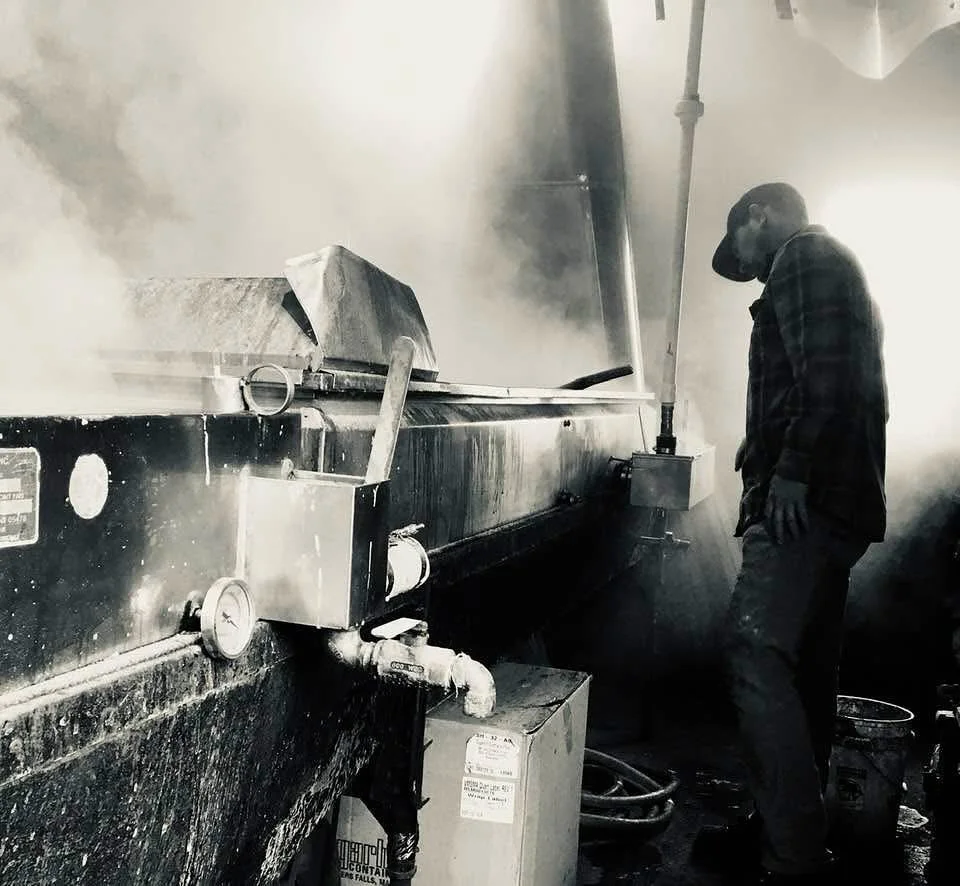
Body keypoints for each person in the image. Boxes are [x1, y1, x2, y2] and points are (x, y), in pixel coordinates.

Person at [693, 182, 888, 884]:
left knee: (754, 648)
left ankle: (793, 857)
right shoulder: (835, 267)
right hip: (839, 503)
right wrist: (761, 451)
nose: (745, 265)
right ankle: (789, 826)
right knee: (805, 668)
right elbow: (835, 381)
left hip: (809, 503)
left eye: (741, 246)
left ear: (758, 214)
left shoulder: (806, 255)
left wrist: (792, 471)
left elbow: (826, 379)